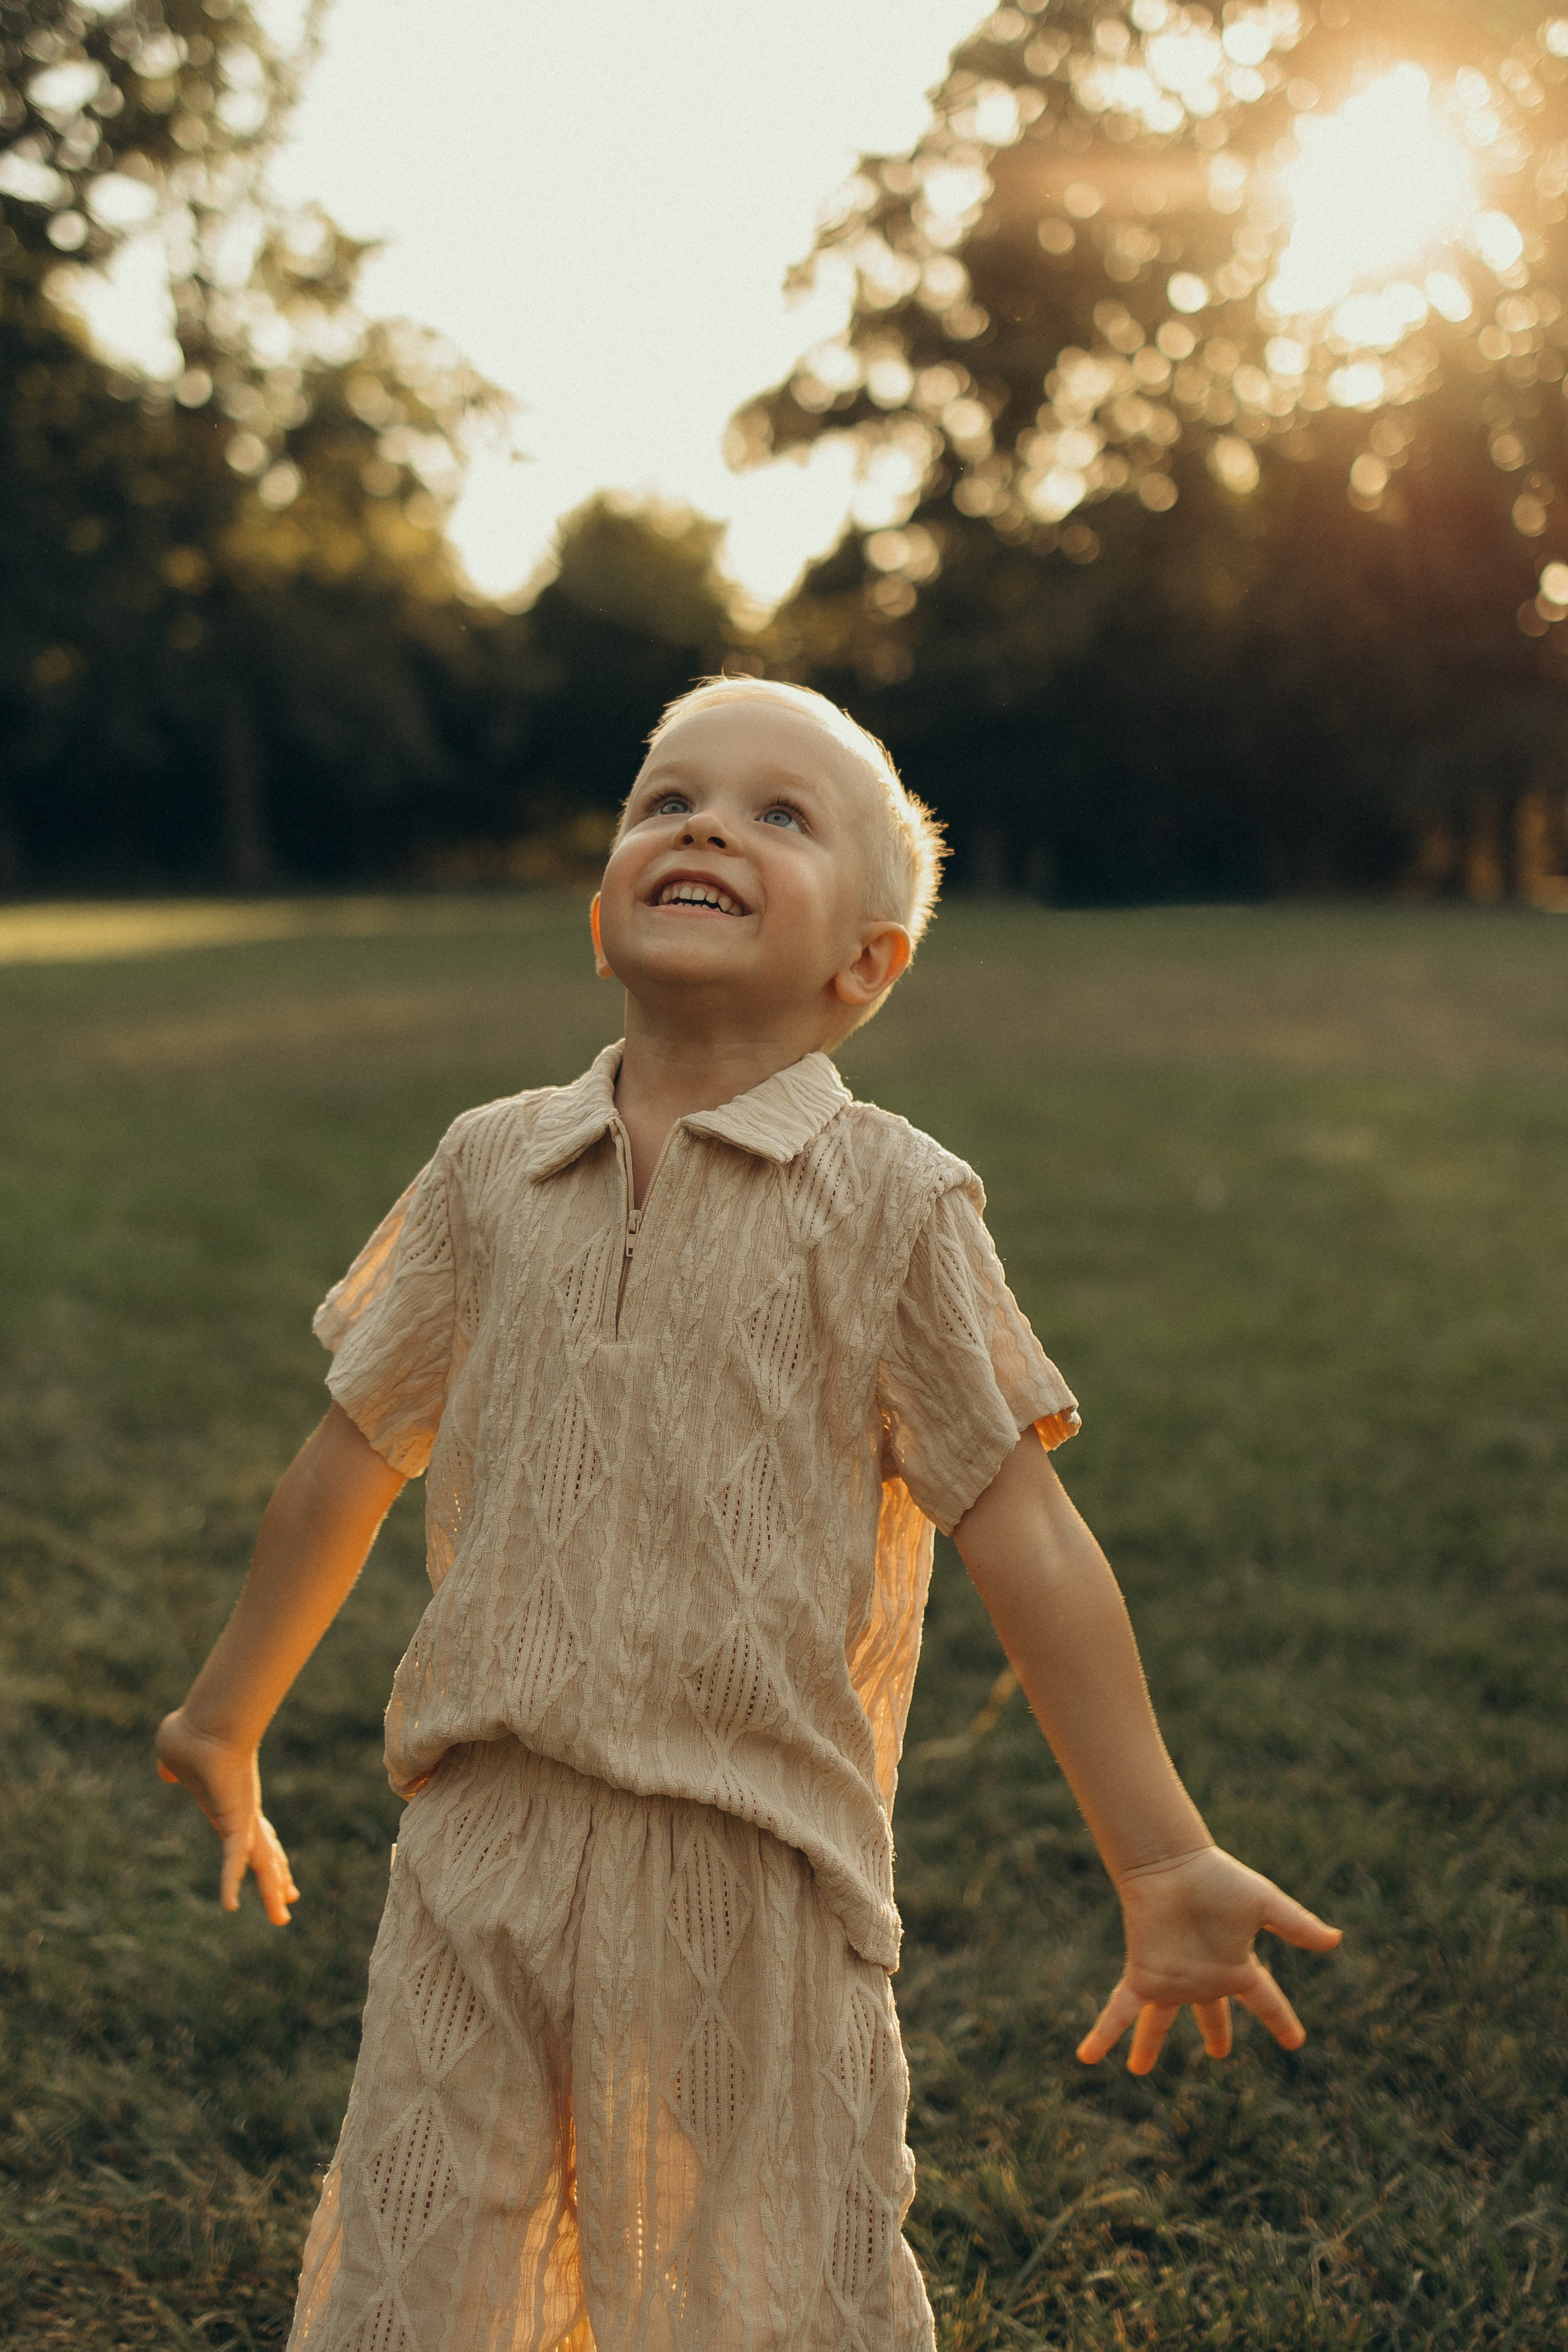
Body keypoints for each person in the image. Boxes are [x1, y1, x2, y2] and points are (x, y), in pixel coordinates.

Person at [155, 677, 1341, 2352]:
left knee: (759, 2289)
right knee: (424, 2276)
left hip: (755, 1869)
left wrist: (1158, 1851)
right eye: (667, 801)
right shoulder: (490, 1170)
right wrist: (225, 1716)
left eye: (779, 816)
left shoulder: (891, 1204)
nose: (705, 823)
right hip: (477, 1845)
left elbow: (1026, 1531)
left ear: (868, 964)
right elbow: (352, 1458)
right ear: (599, 915)